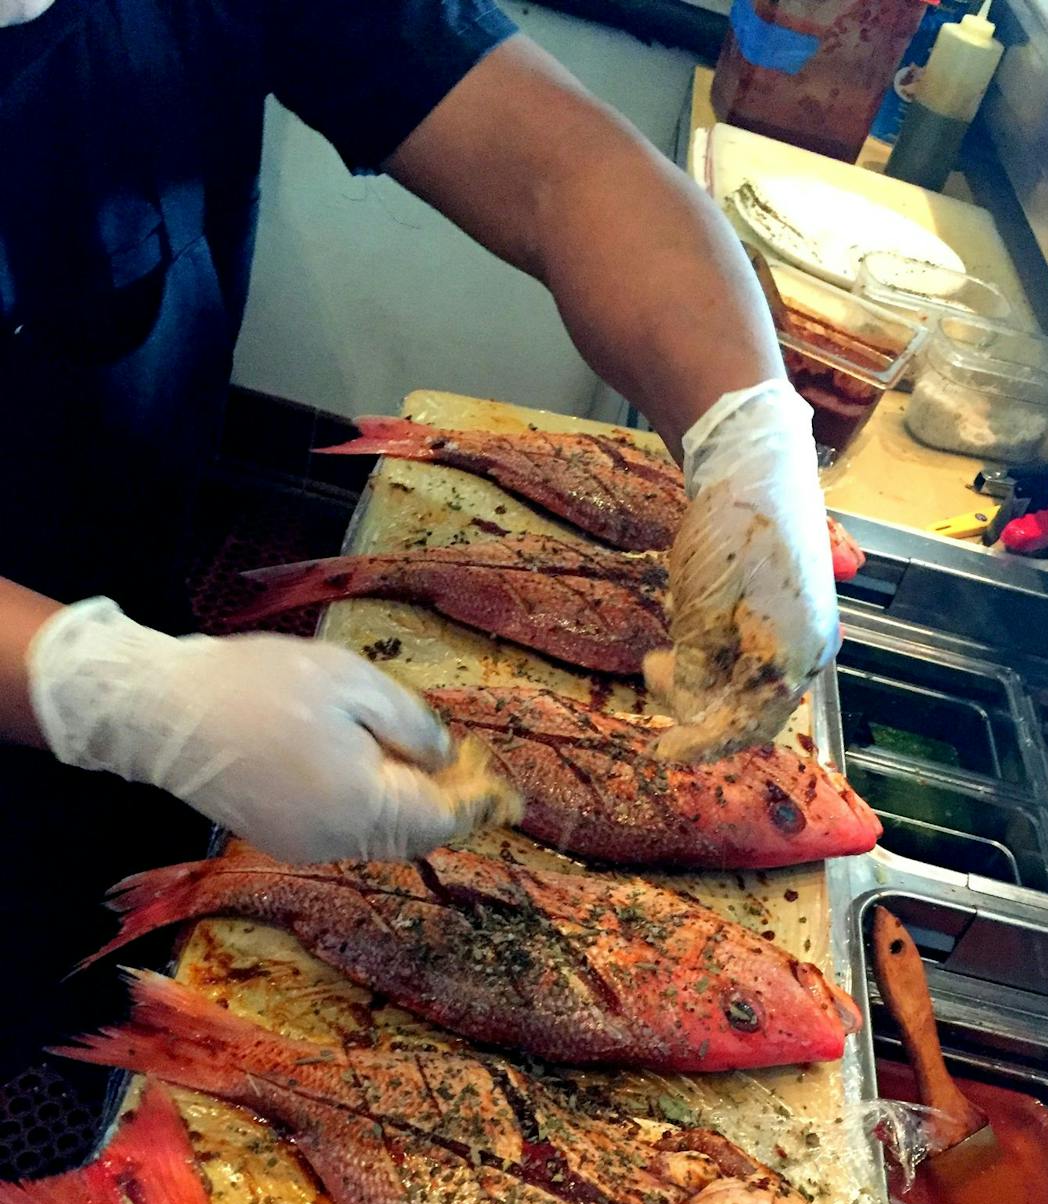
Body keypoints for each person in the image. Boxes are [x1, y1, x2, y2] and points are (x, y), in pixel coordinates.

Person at [0, 0, 838, 1073]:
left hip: (125, 577)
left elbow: (560, 164)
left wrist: (749, 434)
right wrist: (109, 691)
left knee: (98, 969)